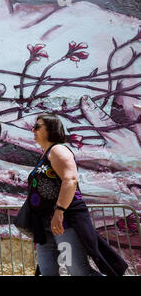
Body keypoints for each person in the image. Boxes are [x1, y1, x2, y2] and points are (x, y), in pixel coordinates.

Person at [27, 113, 128, 276]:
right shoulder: (44, 155)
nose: (33, 129)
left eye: (38, 126)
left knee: (77, 270)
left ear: (51, 129)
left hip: (63, 223)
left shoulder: (58, 150)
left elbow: (70, 179)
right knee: (47, 272)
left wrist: (59, 211)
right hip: (45, 227)